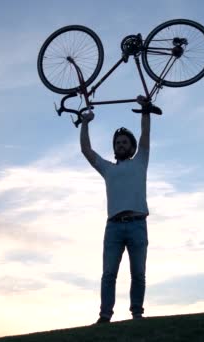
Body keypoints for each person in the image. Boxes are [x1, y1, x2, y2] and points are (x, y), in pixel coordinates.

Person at [80, 96, 157, 324]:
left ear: (131, 147)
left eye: (124, 142)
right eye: (117, 143)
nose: (120, 145)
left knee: (138, 274)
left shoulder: (140, 161)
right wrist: (85, 123)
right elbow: (86, 150)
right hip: (113, 227)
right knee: (108, 274)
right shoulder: (107, 169)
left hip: (137, 225)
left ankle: (137, 314)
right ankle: (105, 316)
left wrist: (145, 111)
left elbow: (145, 136)